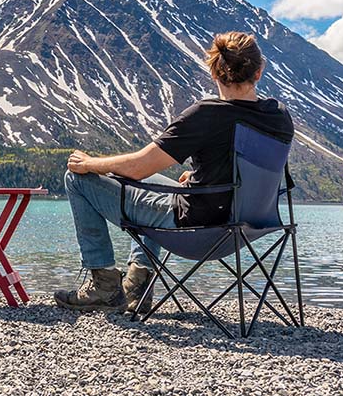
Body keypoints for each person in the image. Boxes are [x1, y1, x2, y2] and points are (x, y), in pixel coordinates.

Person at [54, 31, 294, 313]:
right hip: (248, 226)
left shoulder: (206, 115)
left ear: (214, 73)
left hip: (196, 229)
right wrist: (199, 180)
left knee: (77, 179)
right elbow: (245, 169)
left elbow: (137, 167)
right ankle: (138, 284)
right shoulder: (279, 115)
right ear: (259, 71)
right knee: (149, 185)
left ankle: (104, 284)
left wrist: (90, 163)